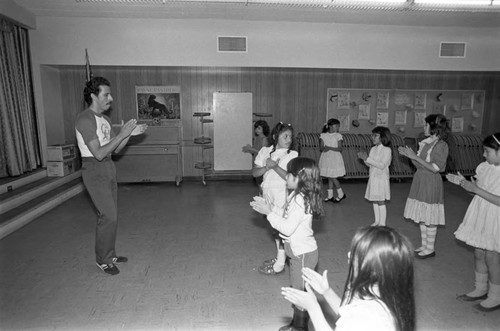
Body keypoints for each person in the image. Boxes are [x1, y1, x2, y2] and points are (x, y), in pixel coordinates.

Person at [75, 76, 147, 276]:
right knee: (108, 216)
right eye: (106, 94)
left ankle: (110, 253)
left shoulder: (105, 120)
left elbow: (113, 150)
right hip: (94, 168)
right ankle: (103, 260)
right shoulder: (85, 119)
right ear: (93, 96)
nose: (111, 98)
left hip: (108, 167)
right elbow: (98, 153)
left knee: (111, 216)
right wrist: (122, 134)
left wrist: (128, 135)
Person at [281, 226, 415, 331]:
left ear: (373, 269)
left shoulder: (369, 313)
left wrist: (313, 307)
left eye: (356, 254)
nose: (349, 254)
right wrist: (326, 292)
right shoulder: (384, 293)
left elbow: (357, 316)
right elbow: (349, 312)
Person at [251, 157, 323, 331]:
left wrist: (268, 213)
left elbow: (287, 228)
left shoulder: (300, 200)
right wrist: (271, 207)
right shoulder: (296, 195)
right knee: (297, 289)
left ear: (298, 178)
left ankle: (301, 327)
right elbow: (285, 217)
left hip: (303, 254)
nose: (286, 177)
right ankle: (296, 323)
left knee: (300, 293)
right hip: (297, 254)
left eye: (289, 174)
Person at [446, 133, 500, 312]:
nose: (484, 155)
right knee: (479, 251)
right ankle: (480, 288)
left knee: (492, 256)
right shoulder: (484, 167)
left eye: (487, 151)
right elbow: (477, 192)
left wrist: (476, 189)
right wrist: (466, 186)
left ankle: (495, 295)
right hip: (480, 213)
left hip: (495, 217)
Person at [398, 114, 450, 259]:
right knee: (422, 215)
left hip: (431, 182)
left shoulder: (441, 145)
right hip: (420, 180)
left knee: (430, 217)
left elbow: (435, 168)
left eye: (426, 125)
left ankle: (430, 248)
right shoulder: (426, 143)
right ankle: (425, 245)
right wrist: (410, 156)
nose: (424, 127)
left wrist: (414, 157)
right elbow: (420, 164)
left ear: (434, 128)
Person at [253, 122, 298, 275]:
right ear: (274, 137)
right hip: (267, 194)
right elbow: (255, 173)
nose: (289, 139)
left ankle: (280, 263)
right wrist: (266, 167)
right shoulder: (265, 151)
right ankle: (281, 255)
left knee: (281, 228)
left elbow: (289, 178)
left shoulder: (293, 155)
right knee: (273, 227)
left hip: (282, 195)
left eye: (290, 136)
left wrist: (275, 167)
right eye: (285, 136)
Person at [357, 126, 392, 226]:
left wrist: (367, 158)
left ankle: (382, 223)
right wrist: (364, 159)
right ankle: (377, 221)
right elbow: (370, 164)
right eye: (372, 135)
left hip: (381, 179)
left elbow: (382, 165)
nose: (372, 137)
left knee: (381, 201)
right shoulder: (373, 149)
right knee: (375, 200)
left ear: (383, 137)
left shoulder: (387, 150)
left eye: (375, 135)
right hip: (373, 178)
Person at [319, 118, 346, 203]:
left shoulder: (338, 136)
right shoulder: (323, 135)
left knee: (332, 176)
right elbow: (321, 148)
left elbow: (339, 148)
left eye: (338, 126)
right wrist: (324, 149)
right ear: (330, 126)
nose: (338, 127)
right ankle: (330, 196)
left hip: (335, 158)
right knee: (329, 176)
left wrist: (329, 148)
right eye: (336, 125)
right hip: (326, 158)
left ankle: (341, 194)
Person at [242, 120, 271, 185]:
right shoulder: (257, 138)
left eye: (259, 128)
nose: (257, 130)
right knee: (258, 181)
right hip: (256, 162)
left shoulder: (264, 139)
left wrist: (251, 149)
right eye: (256, 128)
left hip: (262, 163)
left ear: (264, 129)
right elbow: (255, 151)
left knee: (261, 182)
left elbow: (263, 153)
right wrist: (249, 149)